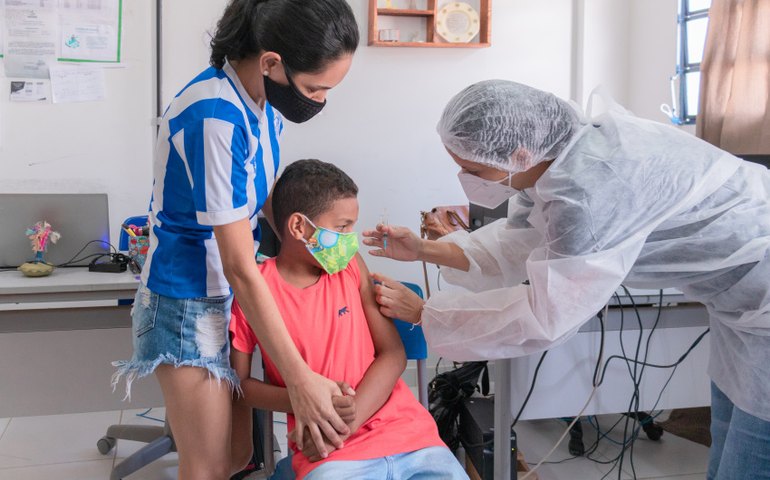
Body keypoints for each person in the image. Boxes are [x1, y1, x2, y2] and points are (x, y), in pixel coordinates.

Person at [363, 80, 770, 479]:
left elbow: (546, 315)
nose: (466, 179)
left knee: (751, 455)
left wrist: (426, 313)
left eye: (473, 169)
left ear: (519, 154)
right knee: (727, 435)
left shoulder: (589, 193)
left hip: (762, 300)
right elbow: (519, 243)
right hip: (739, 306)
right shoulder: (555, 163)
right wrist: (423, 249)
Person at [111, 2, 359, 478]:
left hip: (229, 295)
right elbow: (240, 266)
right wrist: (300, 380)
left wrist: (322, 243)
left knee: (238, 455)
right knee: (206, 467)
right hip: (188, 303)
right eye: (315, 88)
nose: (320, 100)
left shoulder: (263, 107)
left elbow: (260, 197)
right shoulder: (215, 118)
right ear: (272, 63)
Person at [228, 159, 469, 480]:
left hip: (410, 438)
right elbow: (240, 387)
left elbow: (393, 354)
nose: (350, 239)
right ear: (299, 227)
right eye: (342, 228)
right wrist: (311, 401)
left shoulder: (350, 267)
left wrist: (347, 421)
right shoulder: (255, 292)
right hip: (329, 452)